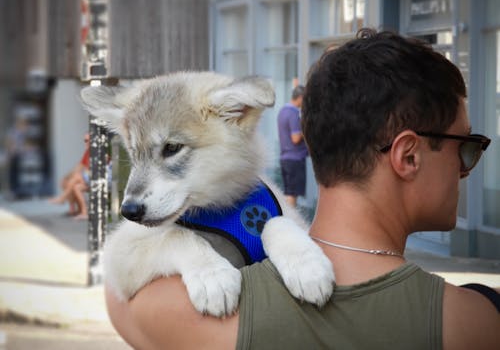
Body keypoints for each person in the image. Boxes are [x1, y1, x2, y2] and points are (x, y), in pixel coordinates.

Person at [105, 29, 500, 349]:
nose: (466, 168)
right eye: (464, 146)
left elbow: (119, 288)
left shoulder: (172, 314)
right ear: (408, 156)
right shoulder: (478, 324)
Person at [277, 84, 308, 207]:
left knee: (288, 192)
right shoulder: (294, 113)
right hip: (295, 159)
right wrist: (307, 130)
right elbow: (295, 138)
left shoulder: (282, 111)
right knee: (292, 194)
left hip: (285, 158)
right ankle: (291, 221)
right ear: (300, 98)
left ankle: (288, 220)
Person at [49, 133, 90, 219]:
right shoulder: (87, 153)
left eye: (88, 140)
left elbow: (98, 170)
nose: (86, 143)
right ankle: (74, 209)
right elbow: (79, 167)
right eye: (85, 141)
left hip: (98, 180)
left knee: (76, 178)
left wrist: (80, 175)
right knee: (67, 181)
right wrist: (67, 176)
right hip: (88, 179)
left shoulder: (99, 152)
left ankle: (62, 199)